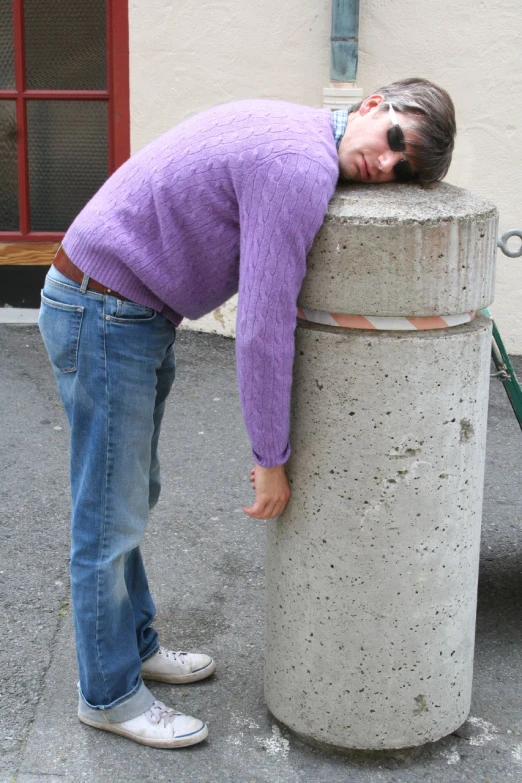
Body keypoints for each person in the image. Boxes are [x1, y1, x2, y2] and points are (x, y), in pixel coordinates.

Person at [38, 77, 456, 749]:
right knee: (107, 514)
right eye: (395, 142)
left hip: (119, 305)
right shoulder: (300, 165)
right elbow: (264, 324)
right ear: (376, 105)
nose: (385, 164)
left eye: (400, 170)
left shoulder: (298, 131)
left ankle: (132, 646)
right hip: (107, 310)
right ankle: (109, 695)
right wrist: (271, 457)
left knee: (127, 496)